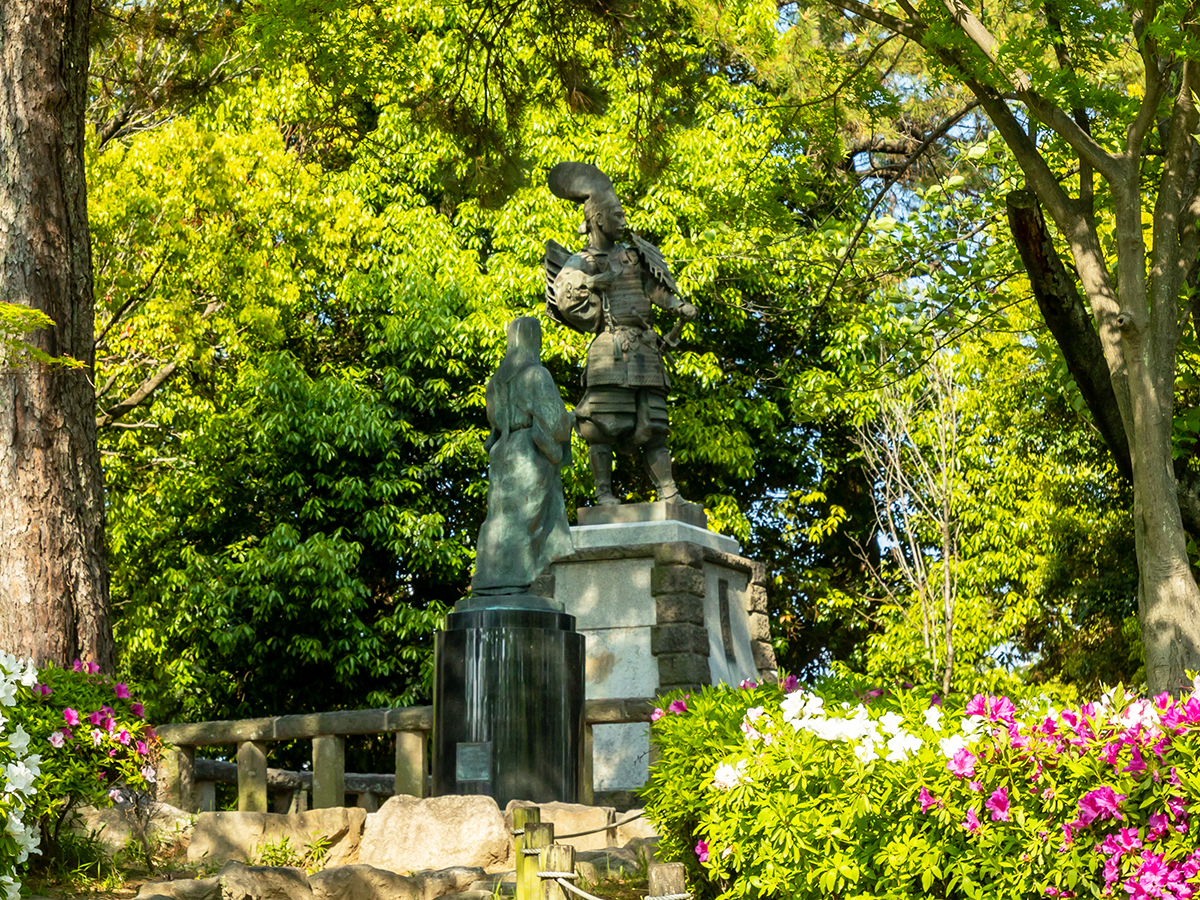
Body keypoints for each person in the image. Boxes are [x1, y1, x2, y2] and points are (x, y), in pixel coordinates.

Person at [544, 162, 696, 506]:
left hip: (645, 351)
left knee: (654, 423)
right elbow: (565, 295)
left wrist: (677, 305)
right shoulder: (582, 260)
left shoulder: (634, 256)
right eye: (617, 214)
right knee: (601, 424)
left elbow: (656, 289)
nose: (623, 221)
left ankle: (668, 492)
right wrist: (595, 282)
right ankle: (603, 494)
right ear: (598, 219)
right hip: (609, 349)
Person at [471, 317, 574, 595]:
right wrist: (572, 419)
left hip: (501, 451)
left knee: (500, 517)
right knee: (525, 520)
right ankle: (514, 581)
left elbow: (492, 418)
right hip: (528, 450)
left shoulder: (496, 381)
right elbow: (553, 422)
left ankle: (489, 579)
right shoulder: (536, 374)